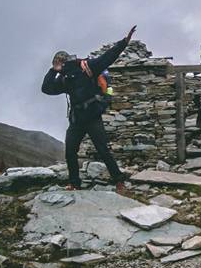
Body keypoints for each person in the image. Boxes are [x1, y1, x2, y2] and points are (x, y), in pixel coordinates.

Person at [41, 25, 136, 192]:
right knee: (70, 151)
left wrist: (124, 42)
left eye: (59, 63)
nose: (60, 66)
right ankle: (74, 183)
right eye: (56, 64)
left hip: (92, 116)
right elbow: (46, 89)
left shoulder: (86, 68)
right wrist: (52, 71)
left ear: (65, 61)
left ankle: (119, 180)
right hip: (77, 119)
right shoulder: (64, 79)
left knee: (102, 149)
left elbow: (108, 57)